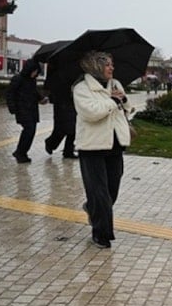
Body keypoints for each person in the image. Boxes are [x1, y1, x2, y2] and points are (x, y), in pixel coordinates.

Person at [73, 51, 132, 249]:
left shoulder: (115, 84)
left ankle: (91, 208)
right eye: (107, 65)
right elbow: (91, 113)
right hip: (92, 146)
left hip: (115, 144)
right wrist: (113, 101)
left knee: (112, 189)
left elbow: (127, 108)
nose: (112, 68)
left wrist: (123, 99)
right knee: (99, 192)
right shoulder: (82, 88)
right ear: (95, 66)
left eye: (112, 64)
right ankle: (101, 233)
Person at [6, 58, 47, 164]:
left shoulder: (32, 80)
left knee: (31, 131)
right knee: (29, 130)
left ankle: (22, 152)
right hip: (22, 109)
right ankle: (20, 152)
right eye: (34, 71)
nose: (35, 74)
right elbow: (10, 93)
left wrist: (41, 98)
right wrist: (12, 108)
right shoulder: (18, 79)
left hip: (32, 109)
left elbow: (34, 92)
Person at [44, 78, 77, 159]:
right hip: (62, 101)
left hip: (73, 100)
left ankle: (68, 151)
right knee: (63, 128)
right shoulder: (60, 75)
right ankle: (51, 143)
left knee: (73, 129)